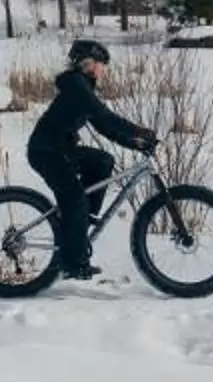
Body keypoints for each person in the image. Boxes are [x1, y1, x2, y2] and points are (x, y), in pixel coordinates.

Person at [25, 38, 155, 279]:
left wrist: (134, 144)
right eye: (101, 64)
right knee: (75, 199)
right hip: (47, 152)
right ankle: (73, 262)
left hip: (60, 150)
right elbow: (104, 115)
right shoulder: (77, 85)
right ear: (89, 64)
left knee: (102, 161)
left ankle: (81, 225)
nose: (104, 69)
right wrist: (139, 131)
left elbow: (103, 126)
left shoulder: (81, 86)